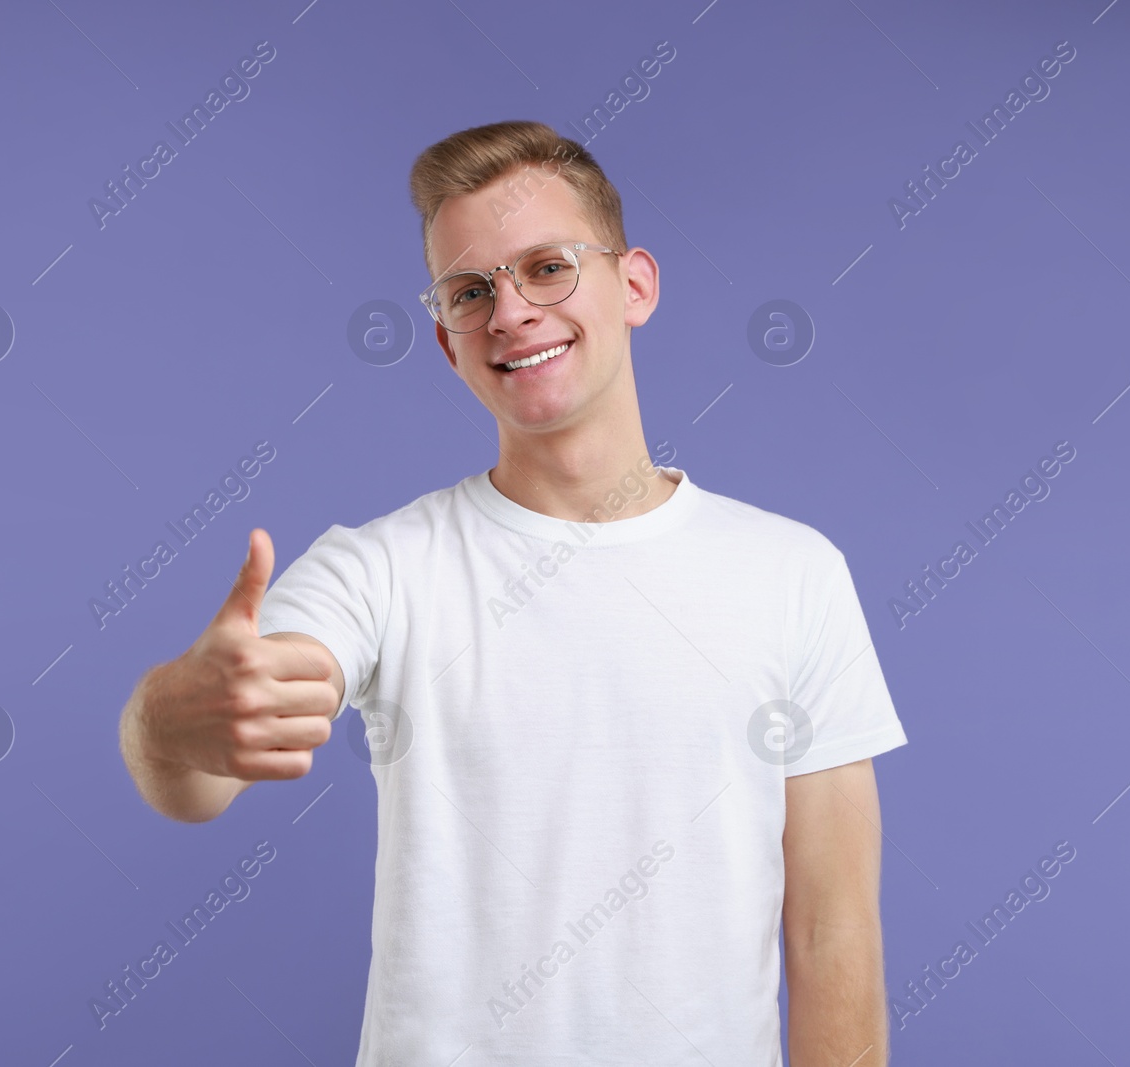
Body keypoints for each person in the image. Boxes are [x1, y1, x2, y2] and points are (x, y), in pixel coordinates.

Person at [118, 120, 909, 1066]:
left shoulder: (792, 572)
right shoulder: (379, 570)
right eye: (470, 291)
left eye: (546, 267)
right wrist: (172, 718)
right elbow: (197, 779)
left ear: (636, 285)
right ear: (449, 343)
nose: (511, 312)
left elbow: (834, 935)